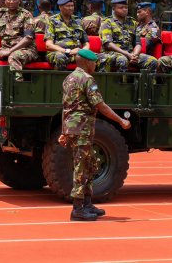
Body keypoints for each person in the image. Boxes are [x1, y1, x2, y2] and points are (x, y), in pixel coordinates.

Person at [58, 49, 131, 221]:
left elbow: (66, 107)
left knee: (90, 163)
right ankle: (77, 209)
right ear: (86, 62)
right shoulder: (87, 79)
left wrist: (64, 132)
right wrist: (121, 121)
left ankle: (87, 203)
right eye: (94, 62)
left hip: (74, 126)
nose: (95, 65)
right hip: (82, 127)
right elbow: (100, 105)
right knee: (82, 166)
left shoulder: (69, 78)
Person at [98, 0, 157, 72]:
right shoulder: (107, 22)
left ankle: (144, 83)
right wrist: (126, 54)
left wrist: (134, 55)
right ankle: (121, 83)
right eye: (121, 7)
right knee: (122, 60)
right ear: (114, 9)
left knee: (153, 61)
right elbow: (108, 44)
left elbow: (138, 43)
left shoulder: (132, 22)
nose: (124, 9)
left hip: (130, 53)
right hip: (111, 53)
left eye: (126, 7)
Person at [45, 0, 89, 70]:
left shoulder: (78, 21)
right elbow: (49, 45)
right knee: (60, 57)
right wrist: (68, 51)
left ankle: (86, 81)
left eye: (72, 6)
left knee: (97, 58)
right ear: (60, 7)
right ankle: (61, 81)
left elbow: (86, 43)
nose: (71, 8)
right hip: (58, 53)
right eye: (68, 6)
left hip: (77, 54)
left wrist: (82, 51)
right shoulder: (52, 21)